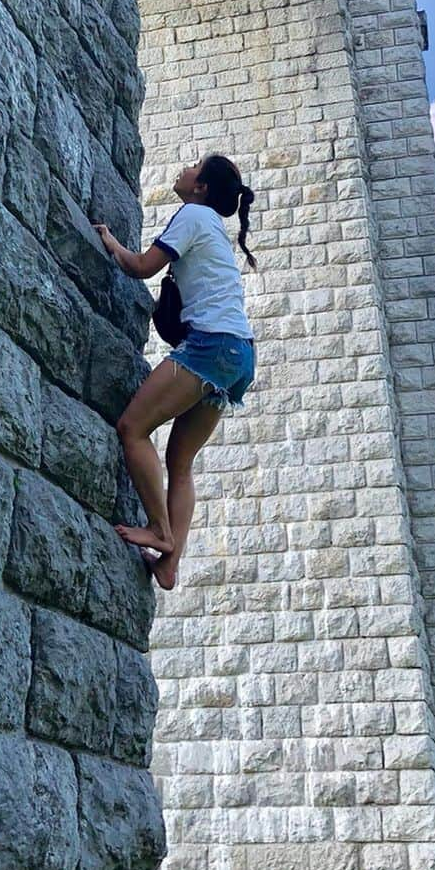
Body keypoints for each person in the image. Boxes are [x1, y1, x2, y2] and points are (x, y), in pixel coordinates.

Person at [93, 154, 257, 590]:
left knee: (132, 428)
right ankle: (168, 564)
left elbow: (142, 267)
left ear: (200, 187)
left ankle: (160, 530)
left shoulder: (192, 215)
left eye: (193, 167)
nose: (184, 169)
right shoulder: (216, 231)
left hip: (210, 346)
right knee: (180, 463)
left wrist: (109, 242)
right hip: (240, 356)